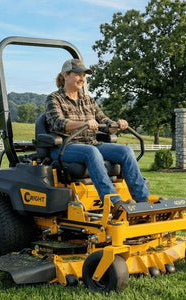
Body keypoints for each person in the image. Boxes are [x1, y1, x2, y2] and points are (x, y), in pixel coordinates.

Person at [45, 58, 151, 214]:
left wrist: (117, 124)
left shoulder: (88, 99)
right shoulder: (54, 99)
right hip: (65, 146)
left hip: (91, 143)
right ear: (65, 75)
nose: (82, 79)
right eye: (78, 74)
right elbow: (58, 123)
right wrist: (84, 123)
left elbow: (104, 121)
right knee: (91, 152)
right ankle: (114, 203)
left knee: (125, 151)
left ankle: (143, 201)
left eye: (84, 76)